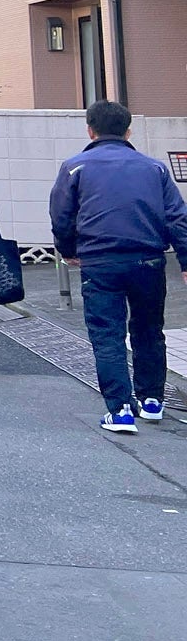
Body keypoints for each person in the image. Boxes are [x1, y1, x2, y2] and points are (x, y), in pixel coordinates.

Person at [48, 100, 187, 434]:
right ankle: (152, 401)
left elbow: (61, 216)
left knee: (107, 335)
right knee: (149, 330)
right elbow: (177, 218)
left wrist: (69, 250)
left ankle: (121, 410)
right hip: (148, 260)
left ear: (90, 130)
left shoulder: (74, 167)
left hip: (100, 260)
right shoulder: (153, 168)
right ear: (128, 131)